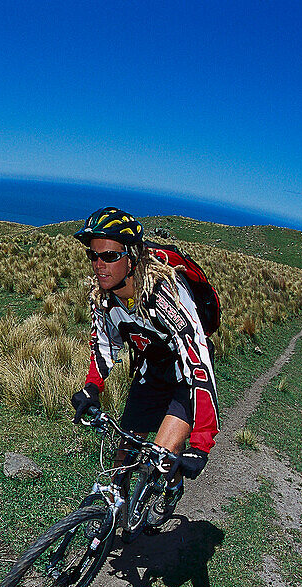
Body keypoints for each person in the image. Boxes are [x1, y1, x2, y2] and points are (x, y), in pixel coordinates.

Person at [69, 207, 219, 507]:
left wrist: (201, 444)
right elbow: (104, 344)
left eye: (110, 256)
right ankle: (115, 514)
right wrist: (92, 386)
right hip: (151, 371)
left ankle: (171, 487)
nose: (99, 265)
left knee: (161, 456)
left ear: (132, 256)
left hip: (185, 379)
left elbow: (198, 363)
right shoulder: (104, 295)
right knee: (124, 452)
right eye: (93, 255)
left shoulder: (164, 293)